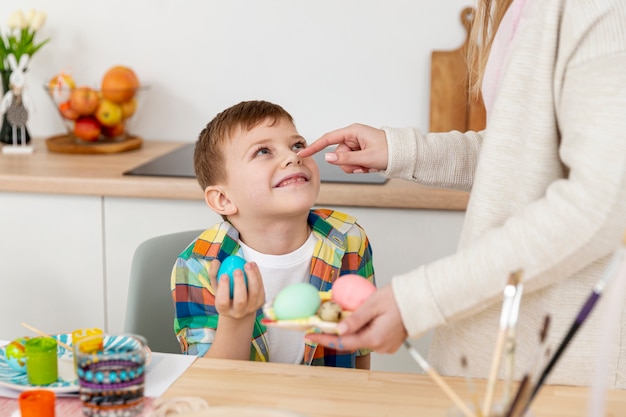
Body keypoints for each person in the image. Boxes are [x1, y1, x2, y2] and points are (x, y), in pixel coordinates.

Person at [299, 0, 626, 387]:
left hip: (567, 362)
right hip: (510, 354)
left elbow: (604, 203)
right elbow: (523, 153)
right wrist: (403, 150)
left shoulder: (595, 9)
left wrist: (420, 299)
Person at [171, 100, 375, 369]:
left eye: (297, 145)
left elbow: (361, 348)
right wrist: (237, 319)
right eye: (263, 151)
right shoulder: (199, 265)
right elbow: (211, 383)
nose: (293, 157)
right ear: (223, 199)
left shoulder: (349, 239)